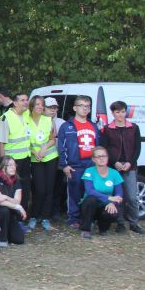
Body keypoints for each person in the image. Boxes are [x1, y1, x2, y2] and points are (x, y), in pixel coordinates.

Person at [101, 101, 145, 234]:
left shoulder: (134, 128)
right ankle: (120, 222)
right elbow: (105, 148)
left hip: (130, 167)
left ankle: (134, 223)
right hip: (114, 167)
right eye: (117, 112)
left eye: (123, 111)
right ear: (113, 113)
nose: (120, 114)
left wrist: (130, 162)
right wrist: (114, 162)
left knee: (132, 197)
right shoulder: (107, 129)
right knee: (117, 195)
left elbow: (137, 148)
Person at [57, 95, 100, 229]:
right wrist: (64, 165)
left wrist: (98, 163)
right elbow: (61, 147)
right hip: (75, 165)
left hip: (91, 165)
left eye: (87, 106)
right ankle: (74, 219)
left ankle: (87, 218)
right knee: (74, 193)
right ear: (75, 108)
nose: (85, 109)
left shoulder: (93, 126)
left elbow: (98, 146)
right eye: (81, 106)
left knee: (90, 192)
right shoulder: (67, 126)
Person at [0, 93, 32, 220]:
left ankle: (22, 216)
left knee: (24, 187)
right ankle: (13, 218)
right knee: (12, 189)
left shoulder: (26, 114)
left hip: (26, 157)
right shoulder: (6, 118)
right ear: (15, 103)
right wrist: (3, 162)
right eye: (22, 100)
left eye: (27, 100)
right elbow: (0, 142)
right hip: (12, 160)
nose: (26, 102)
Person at [27, 95, 58, 231]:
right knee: (39, 189)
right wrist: (35, 152)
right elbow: (24, 140)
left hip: (50, 157)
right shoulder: (26, 120)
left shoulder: (48, 119)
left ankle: (45, 218)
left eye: (42, 104)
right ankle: (34, 216)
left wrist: (45, 148)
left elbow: (52, 139)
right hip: (35, 158)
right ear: (32, 106)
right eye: (37, 104)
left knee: (49, 189)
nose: (40, 107)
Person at [79, 147, 123, 239]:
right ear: (93, 159)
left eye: (104, 156)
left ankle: (103, 228)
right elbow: (89, 190)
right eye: (98, 156)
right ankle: (86, 229)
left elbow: (119, 193)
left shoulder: (114, 173)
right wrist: (108, 198)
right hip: (90, 205)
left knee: (115, 210)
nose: (102, 158)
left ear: (108, 157)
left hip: (105, 206)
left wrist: (113, 203)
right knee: (91, 199)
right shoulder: (89, 171)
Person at [0, 156, 26, 247]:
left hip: (11, 214)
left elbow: (17, 201)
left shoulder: (16, 180)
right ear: (2, 167)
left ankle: (4, 232)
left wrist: (5, 197)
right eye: (10, 165)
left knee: (19, 239)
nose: (13, 167)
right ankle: (2, 239)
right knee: (4, 210)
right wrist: (18, 207)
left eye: (14, 165)